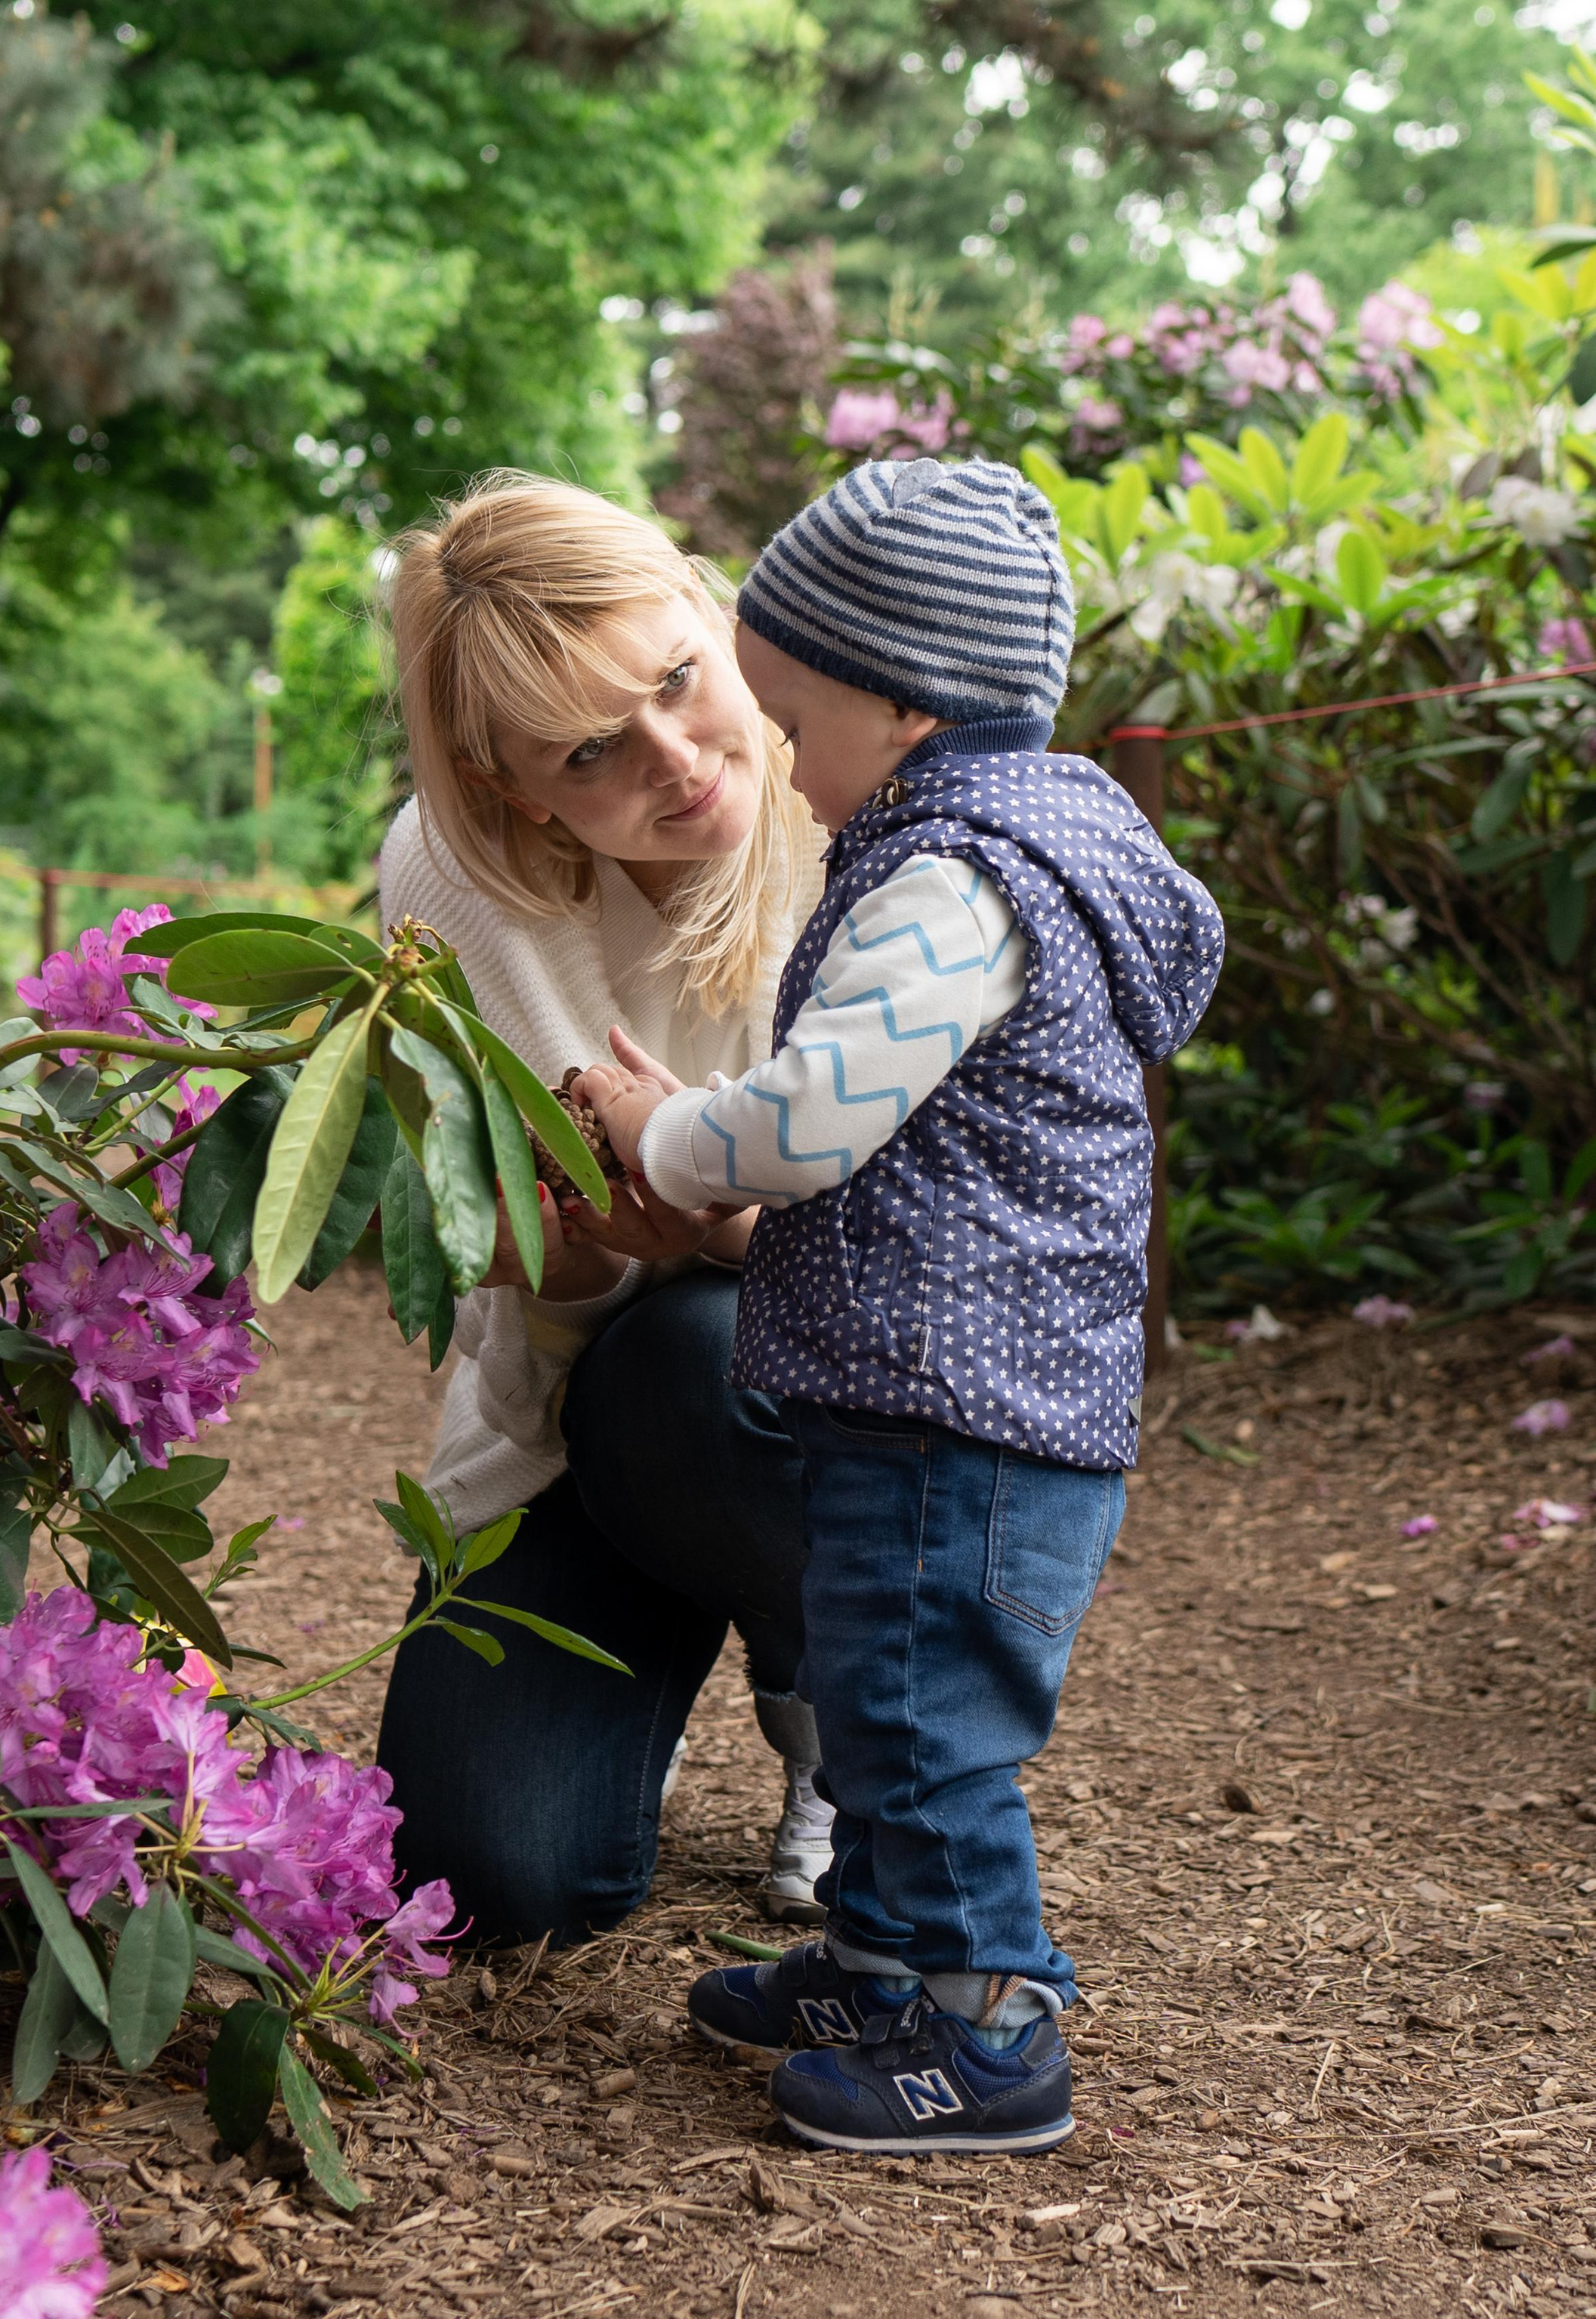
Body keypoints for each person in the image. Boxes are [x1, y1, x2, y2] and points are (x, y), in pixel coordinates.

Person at [579, 454, 1225, 2156]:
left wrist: (661, 1127)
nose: (774, 755)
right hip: (934, 1393)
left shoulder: (958, 881)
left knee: (923, 1727)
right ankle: (880, 1961)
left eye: (792, 721)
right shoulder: (979, 837)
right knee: (874, 1694)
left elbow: (801, 1120)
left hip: (975, 1413)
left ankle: (988, 2031)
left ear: (902, 703)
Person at [371, 474, 829, 1944]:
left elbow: (927, 1226)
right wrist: (580, 1246)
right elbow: (508, 1249)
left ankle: (839, 1703)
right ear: (513, 787)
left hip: (834, 1390)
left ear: (707, 604)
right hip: (577, 1407)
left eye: (676, 682)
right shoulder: (455, 872)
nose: (676, 759)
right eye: (589, 750)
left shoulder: (856, 775)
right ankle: (684, 1596)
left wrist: (705, 1221)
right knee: (486, 1880)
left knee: (703, 1353)